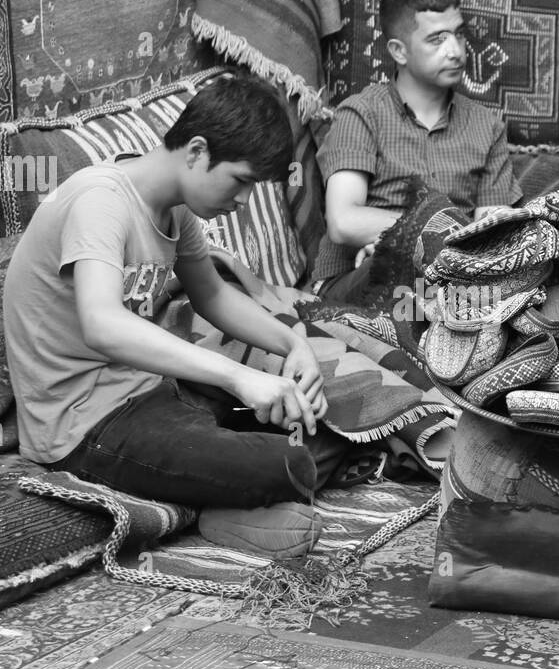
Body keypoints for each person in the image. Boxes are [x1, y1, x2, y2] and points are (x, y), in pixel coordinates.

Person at [2, 75, 351, 560]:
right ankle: (216, 507)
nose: (244, 201)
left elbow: (211, 295)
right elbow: (101, 325)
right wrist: (240, 377)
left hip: (152, 395)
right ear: (196, 152)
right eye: (242, 181)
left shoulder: (176, 209)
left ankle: (217, 498)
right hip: (83, 424)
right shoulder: (100, 201)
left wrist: (295, 345)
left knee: (322, 423)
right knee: (286, 462)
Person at [310, 0, 523, 303]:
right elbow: (344, 222)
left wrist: (404, 238)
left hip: (445, 281)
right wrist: (410, 239)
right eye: (437, 39)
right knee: (395, 270)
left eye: (458, 35)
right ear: (399, 51)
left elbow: (492, 235)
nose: (455, 51)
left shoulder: (487, 125)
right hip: (356, 281)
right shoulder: (361, 114)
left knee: (510, 285)